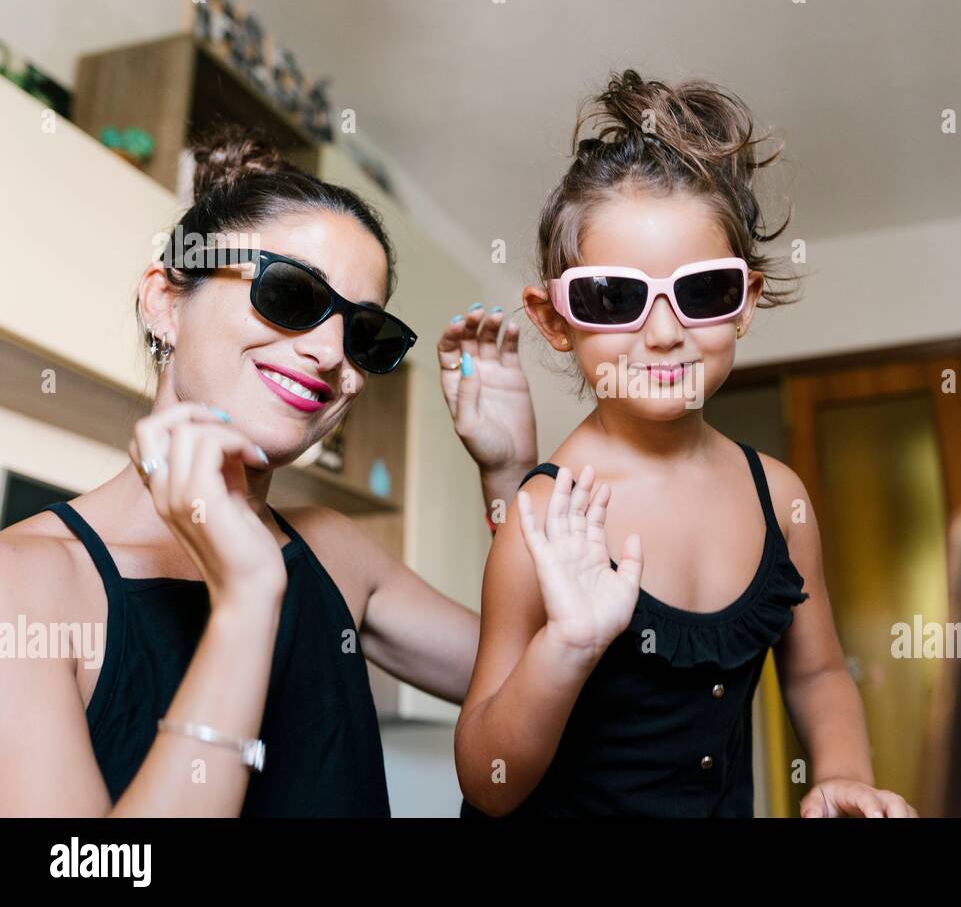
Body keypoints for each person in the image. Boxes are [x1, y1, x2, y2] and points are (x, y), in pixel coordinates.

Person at [0, 127, 552, 816]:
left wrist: (509, 475)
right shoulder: (23, 585)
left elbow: (533, 687)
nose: (330, 353)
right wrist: (248, 597)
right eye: (290, 295)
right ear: (166, 303)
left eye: (362, 333)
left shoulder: (334, 552)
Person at [454, 71, 918, 817]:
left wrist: (844, 774)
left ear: (745, 303)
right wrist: (568, 644)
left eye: (701, 292)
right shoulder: (546, 513)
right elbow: (486, 778)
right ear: (553, 319)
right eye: (615, 297)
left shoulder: (781, 499)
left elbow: (820, 672)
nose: (665, 331)